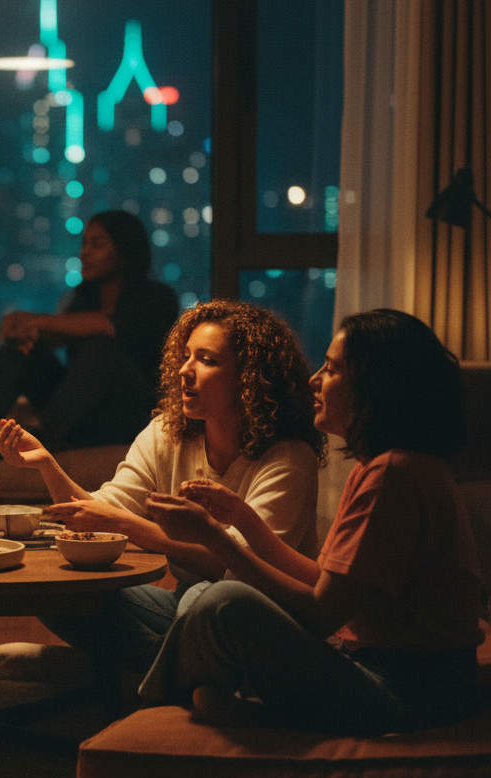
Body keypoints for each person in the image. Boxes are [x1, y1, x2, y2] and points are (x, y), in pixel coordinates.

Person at [140, 309, 483, 735]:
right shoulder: (380, 466)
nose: (314, 379)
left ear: (375, 387)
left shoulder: (394, 475)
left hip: (409, 691)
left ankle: (155, 709)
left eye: (333, 370)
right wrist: (242, 519)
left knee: (222, 601)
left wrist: (215, 537)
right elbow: (324, 580)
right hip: (386, 673)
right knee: (180, 601)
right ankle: (207, 699)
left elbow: (322, 614)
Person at [0, 300, 326, 678]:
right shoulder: (168, 433)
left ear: (250, 379)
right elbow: (97, 514)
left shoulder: (289, 457)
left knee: (207, 597)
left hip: (261, 622)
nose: (184, 370)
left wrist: (130, 526)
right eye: (185, 357)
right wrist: (45, 464)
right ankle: (160, 672)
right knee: (56, 589)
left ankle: (111, 671)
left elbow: (236, 565)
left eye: (206, 360)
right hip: (185, 610)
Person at [0, 209, 178, 450]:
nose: (85, 252)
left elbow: (107, 326)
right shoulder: (84, 297)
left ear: (124, 252)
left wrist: (35, 320)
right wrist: (22, 330)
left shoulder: (157, 297)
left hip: (126, 415)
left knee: (102, 347)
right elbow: (57, 337)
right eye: (84, 244)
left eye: (97, 244)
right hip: (80, 414)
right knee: (23, 349)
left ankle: (44, 437)